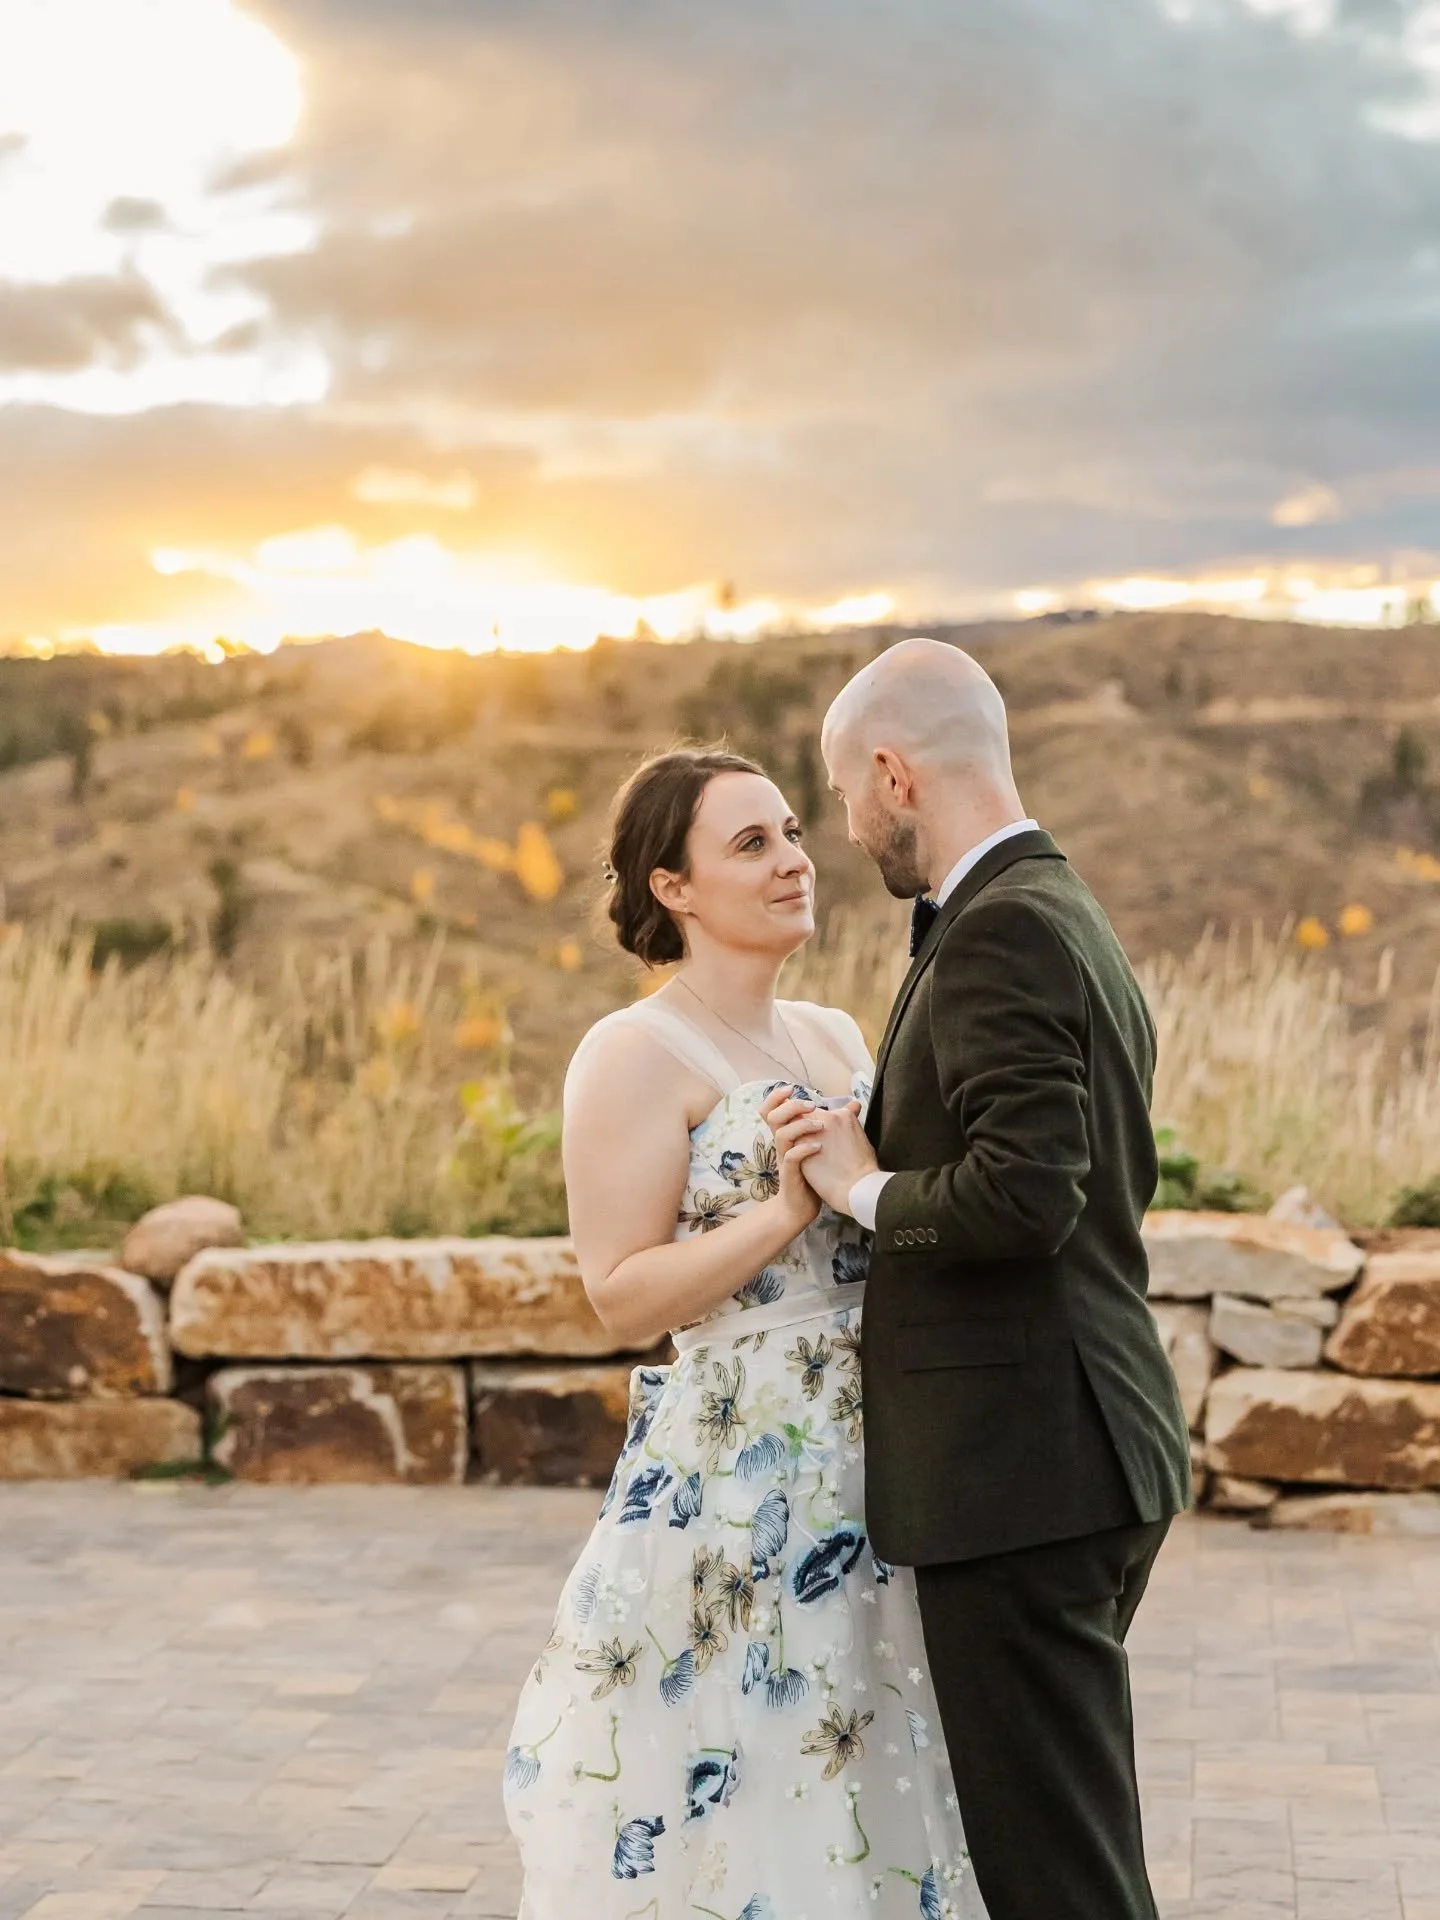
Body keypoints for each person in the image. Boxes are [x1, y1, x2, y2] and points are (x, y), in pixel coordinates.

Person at [504, 747, 985, 1919]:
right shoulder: (631, 1054)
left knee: (875, 1768)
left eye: (792, 833)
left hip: (883, 1465)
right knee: (759, 1771)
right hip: (741, 1477)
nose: (793, 862)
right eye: (751, 844)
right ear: (672, 887)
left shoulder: (835, 1036)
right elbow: (619, 1296)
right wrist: (781, 1212)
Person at [763, 638, 1193, 1920]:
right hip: (1081, 1447)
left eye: (844, 795)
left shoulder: (1001, 932)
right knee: (1071, 1844)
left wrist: (859, 1188)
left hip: (1022, 1473)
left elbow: (1031, 1190)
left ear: (895, 773)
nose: (844, 829)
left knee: (1055, 1875)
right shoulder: (1062, 908)